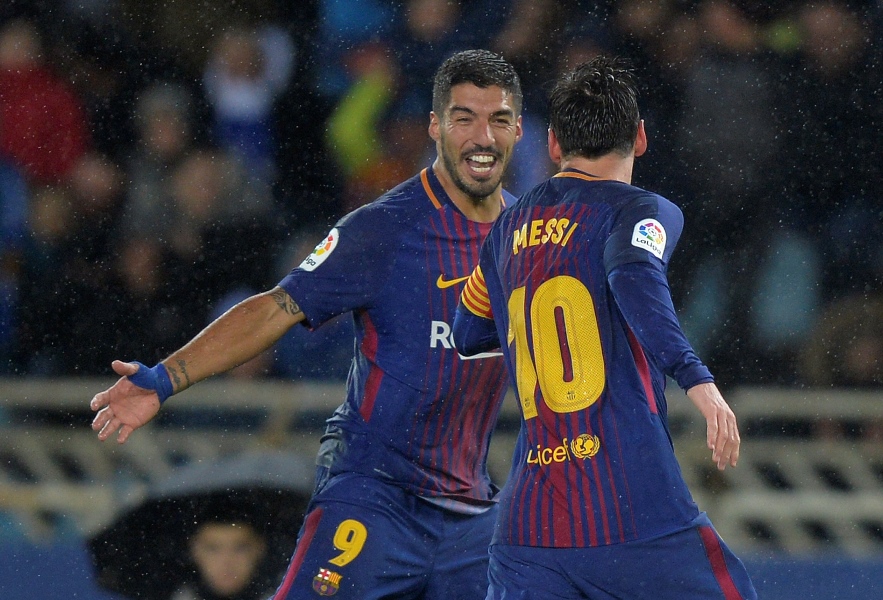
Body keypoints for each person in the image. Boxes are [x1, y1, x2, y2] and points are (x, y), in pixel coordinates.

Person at [90, 49, 523, 600]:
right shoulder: (384, 230)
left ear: (517, 131)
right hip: (374, 499)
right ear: (436, 126)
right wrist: (164, 379)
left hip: (471, 516)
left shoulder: (529, 239)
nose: (483, 136)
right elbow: (275, 308)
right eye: (465, 118)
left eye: (499, 120)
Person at [452, 55, 757, 599]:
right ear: (640, 138)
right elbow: (633, 277)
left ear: (551, 145)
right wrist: (698, 381)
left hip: (529, 525)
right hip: (630, 506)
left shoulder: (504, 231)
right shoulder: (642, 209)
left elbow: (468, 334)